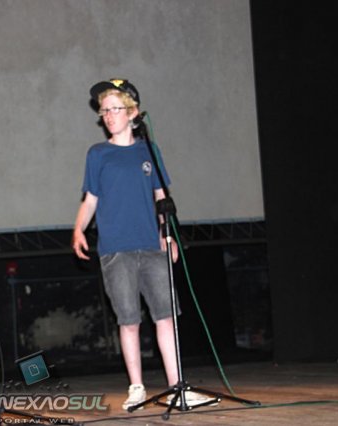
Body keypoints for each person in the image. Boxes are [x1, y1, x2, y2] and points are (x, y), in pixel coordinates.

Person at [72, 78, 190, 410]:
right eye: (104, 110)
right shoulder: (98, 154)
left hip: (151, 246)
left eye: (114, 109)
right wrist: (79, 229)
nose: (108, 115)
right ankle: (136, 387)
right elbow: (90, 199)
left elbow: (161, 196)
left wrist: (167, 234)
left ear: (133, 112)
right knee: (129, 320)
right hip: (115, 250)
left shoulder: (148, 151)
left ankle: (177, 386)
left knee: (166, 317)